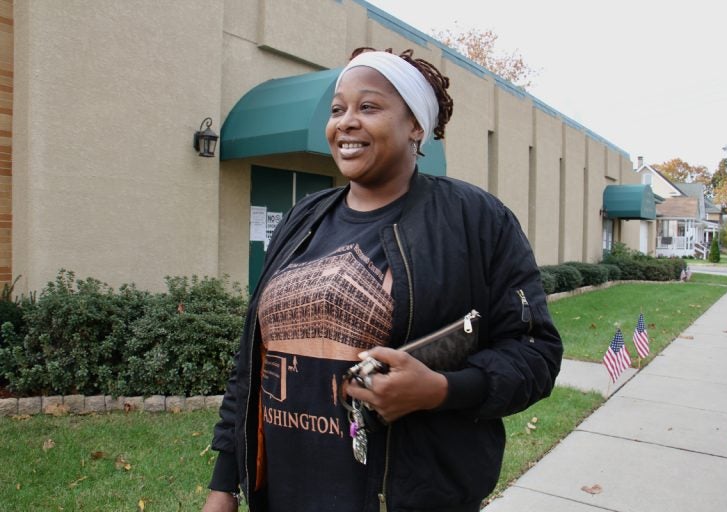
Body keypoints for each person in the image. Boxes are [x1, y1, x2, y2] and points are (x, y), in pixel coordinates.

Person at [202, 47, 563, 512]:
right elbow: (252, 362)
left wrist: (440, 390)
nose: (346, 122)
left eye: (368, 107)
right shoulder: (303, 219)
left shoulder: (476, 220)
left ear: (416, 125)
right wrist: (224, 484)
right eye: (338, 109)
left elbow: (535, 353)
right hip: (286, 493)